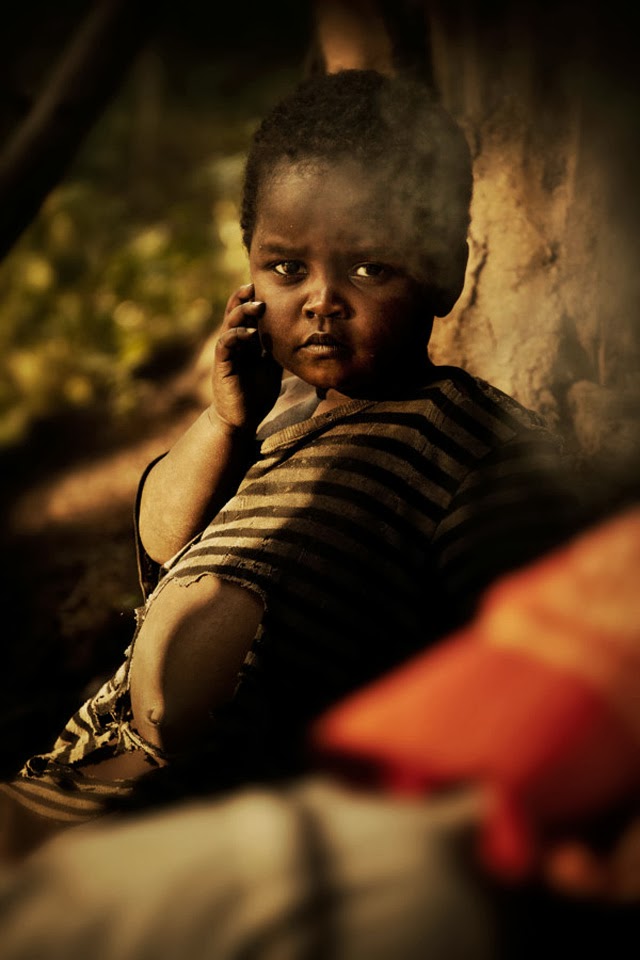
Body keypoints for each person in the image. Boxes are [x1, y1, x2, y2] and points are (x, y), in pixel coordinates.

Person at [0, 69, 580, 856]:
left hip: (230, 828)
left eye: (370, 269)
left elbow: (516, 655)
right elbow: (163, 539)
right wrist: (224, 422)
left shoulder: (473, 447)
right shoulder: (271, 424)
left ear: (446, 267)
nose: (321, 300)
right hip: (84, 779)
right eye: (286, 269)